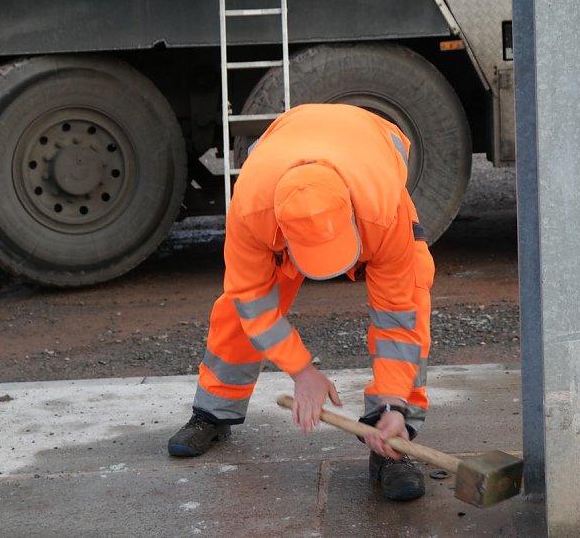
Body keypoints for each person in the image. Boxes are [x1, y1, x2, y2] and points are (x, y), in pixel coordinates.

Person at [168, 104, 435, 501]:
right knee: (239, 307)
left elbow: (397, 317)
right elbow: (252, 300)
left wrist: (394, 399)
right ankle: (213, 411)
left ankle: (393, 434)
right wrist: (301, 371)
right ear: (284, 235)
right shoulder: (251, 209)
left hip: (365, 150)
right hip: (286, 164)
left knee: (412, 299)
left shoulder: (382, 210)